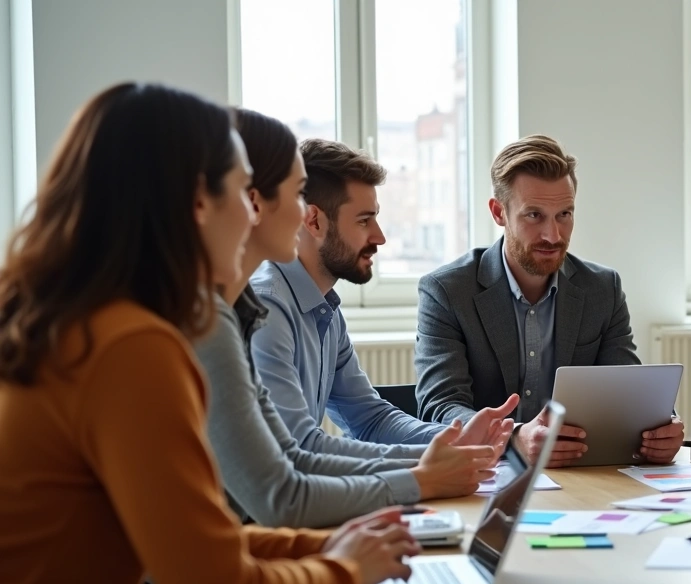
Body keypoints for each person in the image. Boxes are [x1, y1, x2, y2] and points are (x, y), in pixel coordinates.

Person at [0, 83, 417, 584]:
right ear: (200, 201)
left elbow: (200, 538)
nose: (254, 214)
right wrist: (344, 569)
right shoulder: (135, 347)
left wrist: (331, 547)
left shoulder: (85, 319)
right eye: (244, 190)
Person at [201, 108, 499, 530]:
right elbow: (284, 487)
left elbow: (346, 431)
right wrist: (424, 476)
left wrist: (450, 447)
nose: (379, 236)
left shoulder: (282, 306)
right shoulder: (248, 312)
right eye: (295, 193)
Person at [413, 135, 684, 466]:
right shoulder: (447, 292)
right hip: (490, 473)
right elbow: (441, 407)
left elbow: (628, 393)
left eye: (564, 214)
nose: (553, 236)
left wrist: (658, 432)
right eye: (534, 215)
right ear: (499, 212)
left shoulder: (602, 289)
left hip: (582, 474)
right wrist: (514, 438)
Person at [250, 138, 517, 452]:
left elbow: (370, 419)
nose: (380, 237)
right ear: (314, 221)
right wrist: (431, 462)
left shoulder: (326, 309)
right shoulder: (267, 309)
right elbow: (300, 447)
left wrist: (457, 439)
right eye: (364, 220)